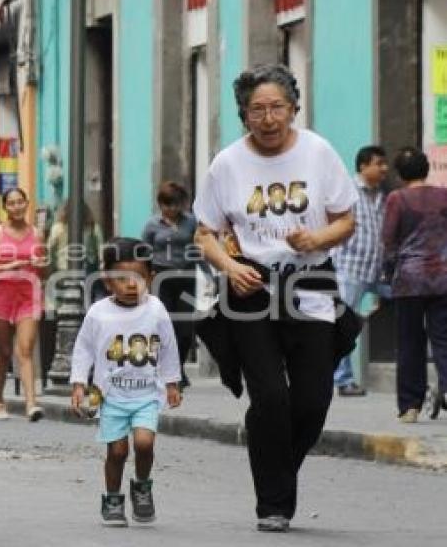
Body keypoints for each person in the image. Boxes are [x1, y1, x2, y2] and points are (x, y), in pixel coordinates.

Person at [193, 64, 357, 532]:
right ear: (244, 115)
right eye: (257, 110)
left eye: (277, 108)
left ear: (293, 108)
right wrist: (230, 267)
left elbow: (346, 220)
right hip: (253, 290)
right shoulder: (226, 163)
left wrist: (318, 238)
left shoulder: (318, 152)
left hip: (310, 287)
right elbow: (206, 233)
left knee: (312, 401)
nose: (268, 119)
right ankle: (274, 504)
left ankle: (274, 466)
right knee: (269, 398)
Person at [69, 237, 182, 526]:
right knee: (117, 451)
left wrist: (172, 383)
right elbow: (83, 349)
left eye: (139, 278)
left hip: (146, 393)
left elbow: (168, 346)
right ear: (107, 281)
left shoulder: (156, 309)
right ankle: (113, 498)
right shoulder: (98, 313)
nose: (131, 285)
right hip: (107, 395)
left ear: (151, 278)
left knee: (144, 444)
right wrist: (79, 384)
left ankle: (142, 487)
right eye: (122, 278)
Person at [382, 147, 447, 423]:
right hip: (443, 279)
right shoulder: (444, 195)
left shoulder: (397, 198)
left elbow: (388, 241)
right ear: (426, 168)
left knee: (410, 342)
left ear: (399, 174)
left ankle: (410, 406)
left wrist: (389, 273)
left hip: (409, 280)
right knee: (443, 339)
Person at [0, 187, 46, 421]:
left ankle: (31, 404)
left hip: (29, 295)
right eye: (11, 203)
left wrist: (42, 263)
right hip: (2, 296)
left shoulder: (37, 234)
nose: (16, 207)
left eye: (20, 202)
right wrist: (5, 267)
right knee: (3, 353)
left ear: (27, 204)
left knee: (25, 350)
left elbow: (44, 269)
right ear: (5, 207)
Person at [329, 145, 389, 397]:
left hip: (378, 270)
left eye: (385, 164)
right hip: (350, 268)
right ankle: (343, 380)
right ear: (363, 166)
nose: (384, 168)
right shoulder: (348, 191)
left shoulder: (382, 195)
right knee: (344, 325)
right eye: (379, 163)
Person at [142, 181, 198, 388]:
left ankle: (178, 366)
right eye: (167, 204)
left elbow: (200, 248)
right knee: (166, 326)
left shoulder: (191, 222)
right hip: (161, 279)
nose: (172, 209)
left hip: (186, 279)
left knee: (185, 330)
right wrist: (146, 276)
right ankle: (170, 372)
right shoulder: (152, 225)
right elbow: (143, 253)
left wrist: (209, 275)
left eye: (176, 204)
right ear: (160, 204)